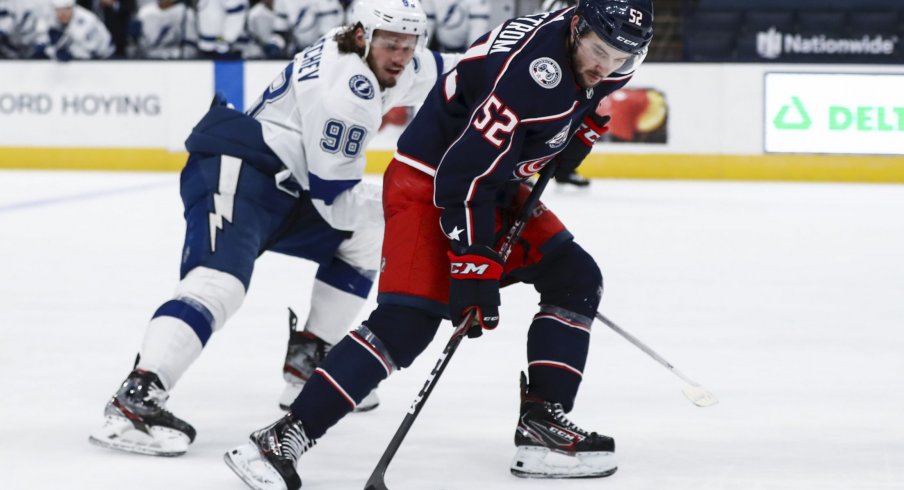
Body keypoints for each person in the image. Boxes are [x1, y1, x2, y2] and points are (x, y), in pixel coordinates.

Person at [223, 0, 654, 488]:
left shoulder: (608, 54)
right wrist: (473, 263)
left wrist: (579, 132)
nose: (607, 66)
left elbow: (551, 132)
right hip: (431, 183)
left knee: (574, 277)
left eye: (620, 59)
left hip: (492, 179)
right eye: (599, 52)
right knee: (408, 322)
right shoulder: (531, 72)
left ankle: (541, 425)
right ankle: (283, 436)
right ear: (576, 27)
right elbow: (462, 173)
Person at [88, 0, 460, 458]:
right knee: (219, 286)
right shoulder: (347, 92)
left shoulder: (370, 49)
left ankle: (309, 360)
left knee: (366, 233)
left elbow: (459, 69)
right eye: (391, 44)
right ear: (364, 36)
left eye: (409, 45)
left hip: (287, 186)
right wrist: (410, 205)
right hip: (239, 170)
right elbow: (335, 200)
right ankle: (136, 401)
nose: (401, 56)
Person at [535, 0, 595, 187]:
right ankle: (524, 168)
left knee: (575, 120)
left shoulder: (591, 6)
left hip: (577, 72)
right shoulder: (553, 4)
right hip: (551, 70)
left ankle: (565, 168)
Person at [35, 0, 115, 60]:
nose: (63, 13)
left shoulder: (87, 20)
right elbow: (40, 42)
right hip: (75, 59)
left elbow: (91, 51)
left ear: (73, 7)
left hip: (105, 57)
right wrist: (51, 49)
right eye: (59, 10)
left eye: (67, 9)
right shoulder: (47, 18)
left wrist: (70, 52)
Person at [133, 0, 198, 59]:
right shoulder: (144, 12)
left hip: (174, 62)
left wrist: (171, 55)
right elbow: (135, 45)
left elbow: (191, 48)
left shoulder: (185, 12)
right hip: (146, 61)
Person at [273, 0, 344, 53]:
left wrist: (317, 50)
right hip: (296, 49)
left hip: (323, 49)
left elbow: (328, 33)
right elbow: (281, 31)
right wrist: (277, 45)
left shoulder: (326, 2)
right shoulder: (281, 1)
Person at [421, 0, 489, 53]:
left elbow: (476, 35)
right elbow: (425, 29)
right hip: (440, 50)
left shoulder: (477, 2)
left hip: (465, 52)